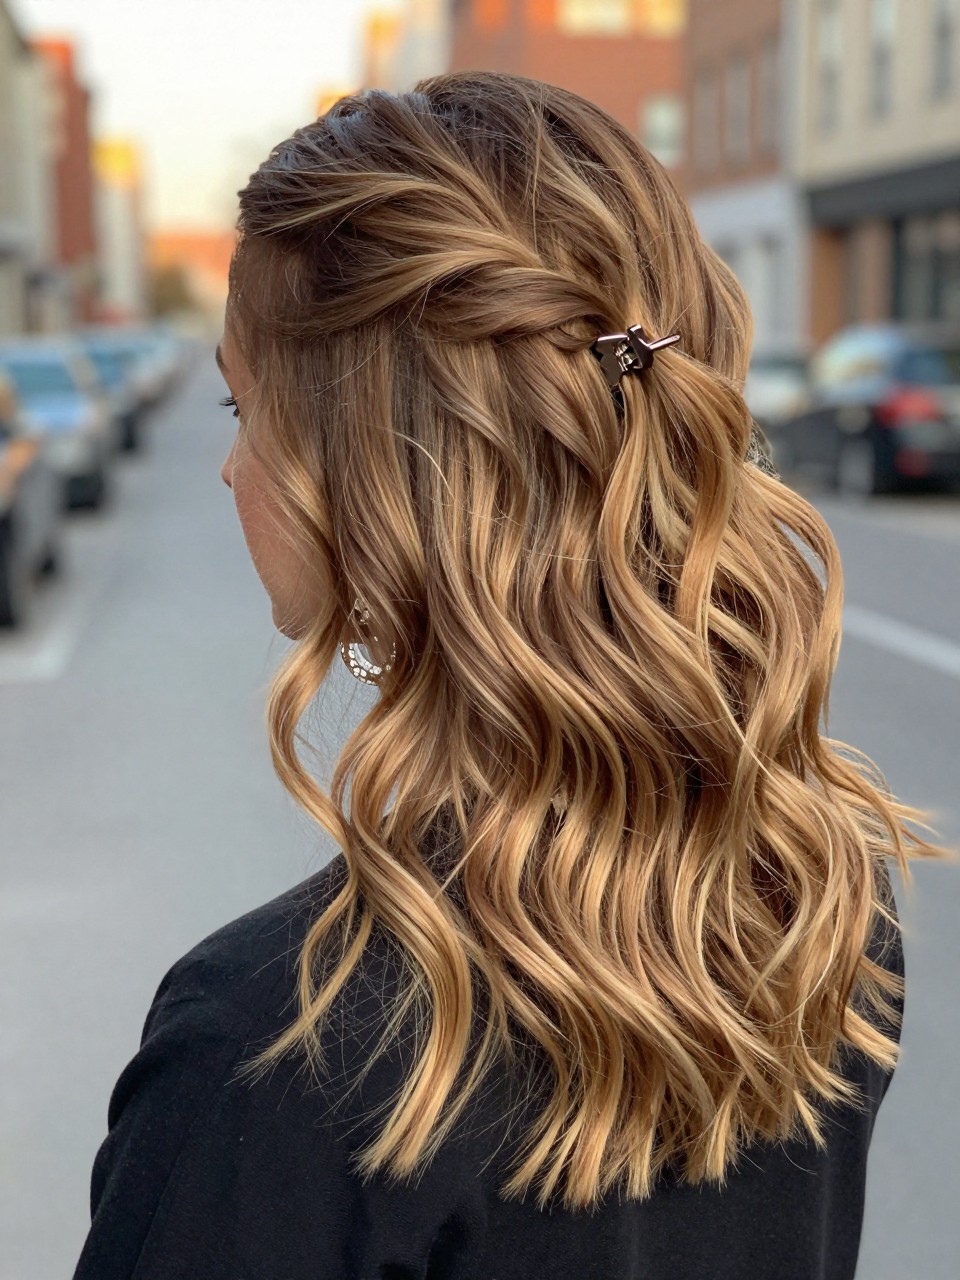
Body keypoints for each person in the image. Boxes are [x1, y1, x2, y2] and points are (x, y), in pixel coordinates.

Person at [71, 72, 954, 1280]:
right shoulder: (820, 904)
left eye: (244, 403)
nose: (230, 470)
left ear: (378, 468)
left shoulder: (277, 1051)